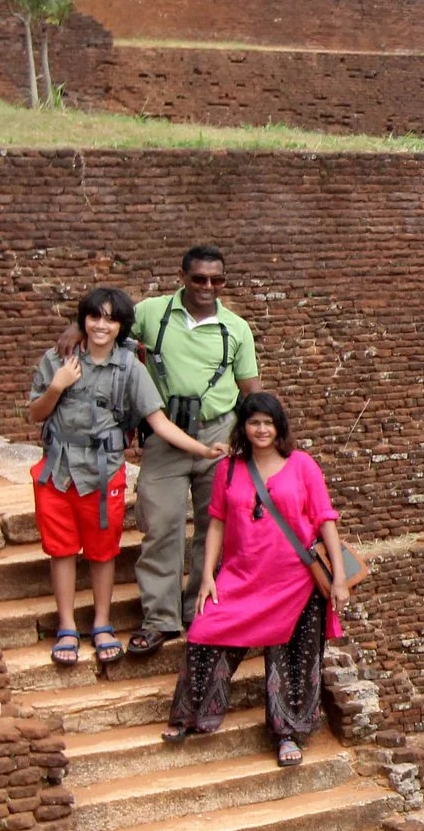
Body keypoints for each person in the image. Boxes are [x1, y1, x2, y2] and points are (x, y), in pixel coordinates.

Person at [27, 289, 222, 666]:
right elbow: (35, 413)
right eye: (94, 317)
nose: (101, 326)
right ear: (83, 320)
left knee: (103, 550)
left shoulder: (130, 368)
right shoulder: (58, 359)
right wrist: (57, 385)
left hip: (103, 473)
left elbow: (158, 422)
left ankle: (102, 623)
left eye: (110, 319)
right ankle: (67, 625)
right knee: (61, 549)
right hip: (58, 469)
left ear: (121, 326)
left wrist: (201, 450)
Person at [163, 393, 347, 767]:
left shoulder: (302, 465)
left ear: (279, 427)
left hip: (295, 580)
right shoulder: (229, 469)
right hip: (241, 575)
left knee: (292, 658)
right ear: (243, 427)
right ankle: (193, 714)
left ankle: (287, 733)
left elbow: (325, 520)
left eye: (268, 422)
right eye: (254, 422)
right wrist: (208, 576)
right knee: (204, 633)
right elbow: (216, 522)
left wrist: (339, 579)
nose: (262, 430)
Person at [127, 246, 261, 657]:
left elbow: (251, 389)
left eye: (216, 280)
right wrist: (76, 331)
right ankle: (160, 618)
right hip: (166, 432)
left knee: (214, 526)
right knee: (161, 524)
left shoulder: (235, 327)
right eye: (199, 278)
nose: (207, 286)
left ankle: (198, 608)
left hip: (218, 432)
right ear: (182, 276)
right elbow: (106, 324)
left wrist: (253, 438)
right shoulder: (152, 313)